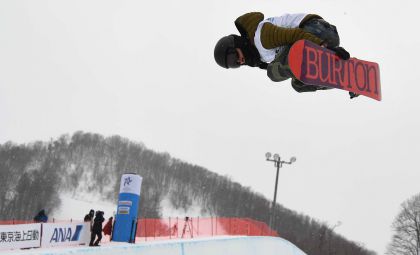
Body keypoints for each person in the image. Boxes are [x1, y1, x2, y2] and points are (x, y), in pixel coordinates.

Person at [214, 12, 358, 99]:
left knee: (273, 73)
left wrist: (323, 46)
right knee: (299, 84)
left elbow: (295, 34)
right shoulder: (261, 57)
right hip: (316, 41)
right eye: (234, 64)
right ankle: (342, 77)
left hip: (317, 30)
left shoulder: (262, 36)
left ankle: (318, 58)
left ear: (236, 44)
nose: (239, 61)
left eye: (233, 57)